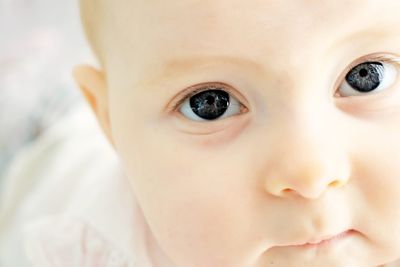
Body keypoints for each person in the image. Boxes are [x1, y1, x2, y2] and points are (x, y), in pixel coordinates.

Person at [2, 0, 400, 266]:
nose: (311, 173)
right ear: (108, 119)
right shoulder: (80, 248)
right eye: (211, 103)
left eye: (365, 77)